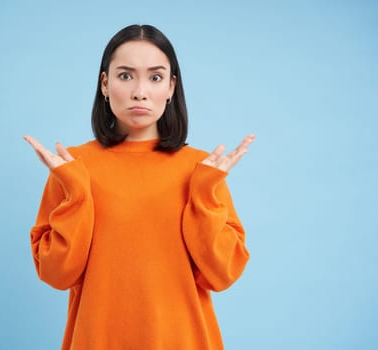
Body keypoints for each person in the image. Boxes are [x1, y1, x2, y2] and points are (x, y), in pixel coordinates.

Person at [24, 24, 255, 350]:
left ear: (172, 87)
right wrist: (77, 193)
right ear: (105, 84)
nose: (140, 91)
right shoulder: (72, 166)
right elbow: (56, 274)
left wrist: (203, 195)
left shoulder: (202, 169)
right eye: (125, 76)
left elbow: (222, 274)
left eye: (156, 77)